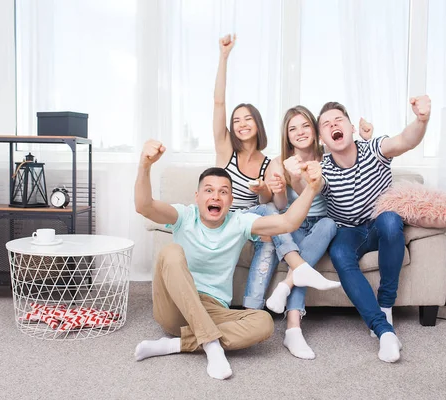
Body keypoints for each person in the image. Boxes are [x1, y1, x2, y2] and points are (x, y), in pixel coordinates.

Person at [134, 139, 332, 380]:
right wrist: (144, 165)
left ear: (230, 200)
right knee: (170, 252)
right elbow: (144, 206)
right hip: (174, 307)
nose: (215, 196)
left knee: (264, 323)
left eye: (223, 192)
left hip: (214, 309)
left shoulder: (239, 222)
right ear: (197, 197)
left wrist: (312, 188)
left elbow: (287, 222)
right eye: (209, 190)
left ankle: (174, 345)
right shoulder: (185, 216)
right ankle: (211, 345)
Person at [212, 34, 338, 312]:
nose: (242, 124)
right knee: (271, 214)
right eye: (237, 120)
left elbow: (270, 201)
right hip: (231, 219)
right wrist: (223, 58)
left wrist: (264, 191)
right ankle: (299, 266)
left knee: (269, 237)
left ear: (258, 125)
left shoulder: (271, 162)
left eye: (248, 119)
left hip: (255, 223)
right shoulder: (225, 151)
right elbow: (219, 105)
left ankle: (252, 310)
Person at [304, 96, 431, 363]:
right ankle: (383, 330)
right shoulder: (324, 168)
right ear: (322, 138)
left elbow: (404, 140)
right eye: (326, 124)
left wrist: (421, 120)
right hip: (348, 232)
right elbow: (310, 187)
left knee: (389, 218)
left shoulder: (374, 148)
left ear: (351, 128)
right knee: (339, 253)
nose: (333, 125)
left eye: (339, 120)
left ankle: (386, 304)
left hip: (379, 225)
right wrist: (302, 176)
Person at [263, 106, 373, 359]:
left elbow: (354, 158)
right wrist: (280, 185)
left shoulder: (329, 158)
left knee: (329, 225)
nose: (300, 132)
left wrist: (366, 138)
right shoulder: (279, 162)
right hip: (293, 223)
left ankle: (286, 292)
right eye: (293, 129)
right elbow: (280, 206)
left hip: (322, 224)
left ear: (315, 130)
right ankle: (293, 328)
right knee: (291, 244)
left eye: (304, 126)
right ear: (286, 135)